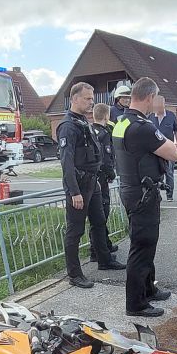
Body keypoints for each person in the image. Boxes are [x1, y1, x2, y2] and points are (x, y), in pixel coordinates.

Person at [113, 77, 177, 317]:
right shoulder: (142, 127)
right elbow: (173, 154)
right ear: (150, 97)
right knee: (142, 247)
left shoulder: (121, 122)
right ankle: (136, 304)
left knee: (145, 244)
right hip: (143, 194)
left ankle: (148, 289)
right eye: (155, 98)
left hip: (132, 190)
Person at [57, 82, 125, 289]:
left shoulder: (83, 122)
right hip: (79, 185)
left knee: (99, 221)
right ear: (75, 99)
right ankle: (75, 274)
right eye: (87, 98)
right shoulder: (68, 126)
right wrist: (74, 192)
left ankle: (104, 260)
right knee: (75, 231)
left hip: (93, 182)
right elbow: (66, 162)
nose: (91, 102)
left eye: (92, 99)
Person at [90, 103, 119, 259]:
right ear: (107, 116)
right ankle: (97, 251)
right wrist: (111, 174)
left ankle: (103, 244)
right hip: (102, 178)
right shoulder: (104, 133)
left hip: (93, 178)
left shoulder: (89, 130)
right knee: (102, 215)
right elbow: (106, 158)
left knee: (97, 215)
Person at [149, 95, 177, 201]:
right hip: (156, 151)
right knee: (157, 173)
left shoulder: (171, 116)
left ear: (164, 104)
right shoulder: (151, 117)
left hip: (168, 150)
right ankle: (157, 194)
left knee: (169, 173)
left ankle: (169, 195)